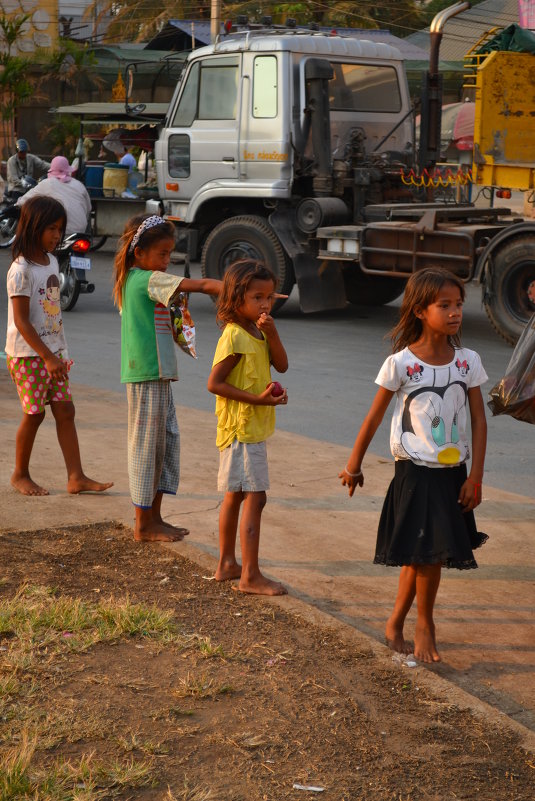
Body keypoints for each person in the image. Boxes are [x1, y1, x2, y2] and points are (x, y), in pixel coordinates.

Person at [339, 267, 488, 663]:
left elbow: (478, 420)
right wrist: (353, 465)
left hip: (454, 475)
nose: (455, 312)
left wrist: (475, 477)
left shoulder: (467, 361)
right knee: (427, 555)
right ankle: (425, 624)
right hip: (415, 474)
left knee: (421, 554)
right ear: (420, 310)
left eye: (459, 304)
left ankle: (395, 622)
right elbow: (372, 418)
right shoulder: (401, 364)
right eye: (445, 305)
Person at [113, 213, 221, 543]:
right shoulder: (144, 279)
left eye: (168, 255)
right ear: (139, 253)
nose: (166, 261)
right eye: (161, 254)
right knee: (149, 448)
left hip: (157, 375)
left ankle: (154, 518)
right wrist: (229, 286)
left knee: (165, 443)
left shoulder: (140, 277)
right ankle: (143, 525)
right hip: (146, 374)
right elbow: (200, 285)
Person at [5, 195, 114, 497]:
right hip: (29, 356)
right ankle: (20, 473)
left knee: (65, 411)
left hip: (53, 353)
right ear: (33, 227)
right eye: (51, 229)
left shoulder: (51, 260)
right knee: (35, 414)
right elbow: (22, 322)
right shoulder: (21, 269)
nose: (57, 236)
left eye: (60, 229)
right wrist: (47, 357)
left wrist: (57, 354)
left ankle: (76, 476)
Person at [207, 259, 289, 596]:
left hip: (251, 427)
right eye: (257, 297)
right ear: (236, 298)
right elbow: (214, 383)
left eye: (269, 297)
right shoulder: (234, 336)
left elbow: (281, 365)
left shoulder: (258, 331)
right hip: (240, 428)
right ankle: (249, 575)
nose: (265, 304)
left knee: (237, 495)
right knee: (255, 497)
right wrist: (257, 400)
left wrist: (272, 332)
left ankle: (228, 563)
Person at [17, 156, 92, 237]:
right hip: (81, 231)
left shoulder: (48, 183)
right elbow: (88, 208)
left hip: (60, 232)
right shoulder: (79, 185)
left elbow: (26, 200)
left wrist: (18, 203)